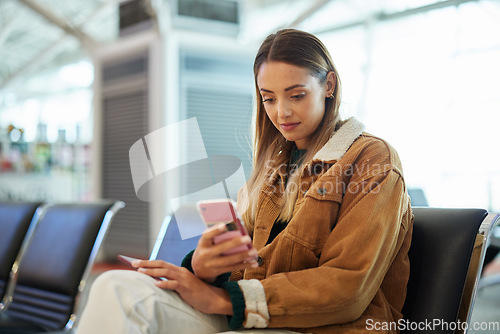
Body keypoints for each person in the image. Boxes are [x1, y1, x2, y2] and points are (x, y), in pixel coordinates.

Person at [77, 29, 413, 334]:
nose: (281, 112)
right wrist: (204, 268)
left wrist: (228, 301)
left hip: (327, 326)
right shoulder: (275, 166)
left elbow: (347, 288)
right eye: (269, 98)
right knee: (115, 288)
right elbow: (252, 266)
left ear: (329, 86)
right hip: (258, 319)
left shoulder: (372, 159)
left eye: (295, 95)